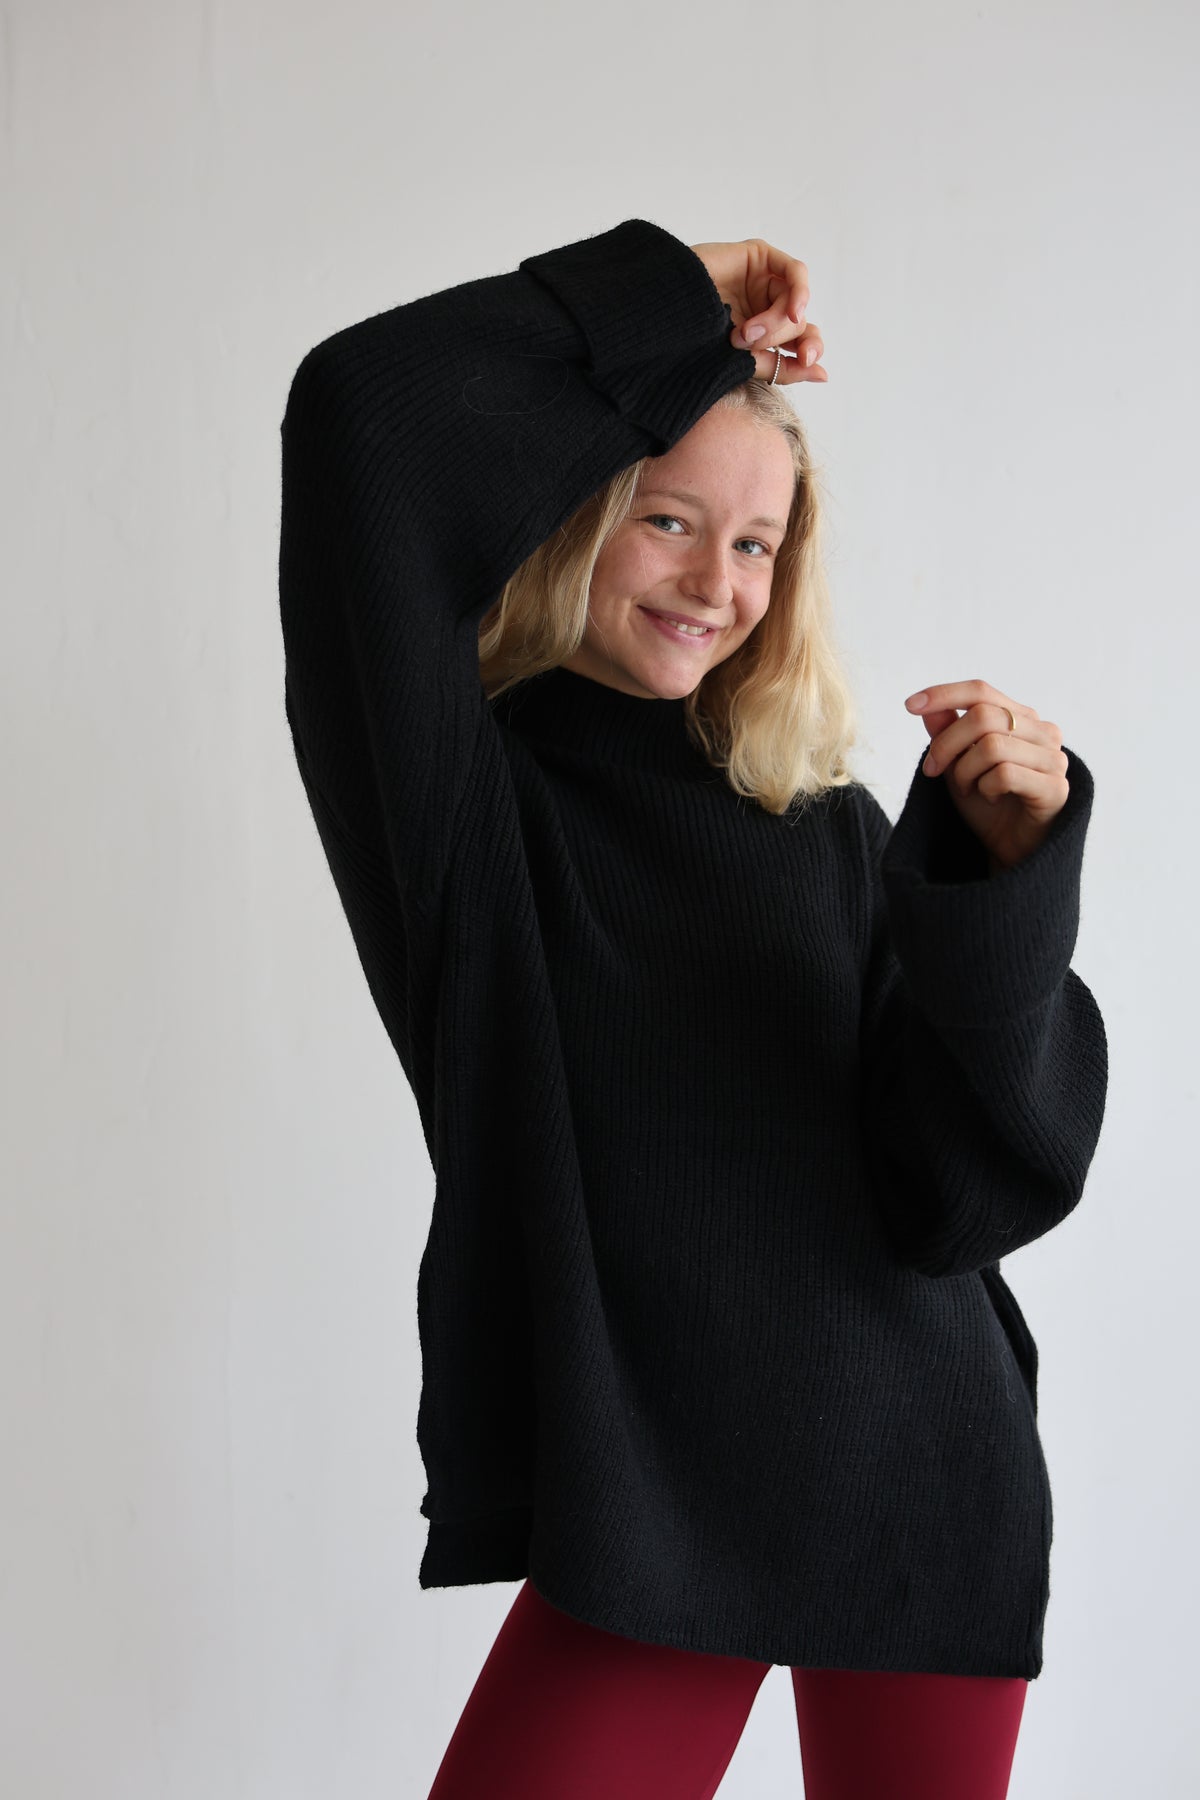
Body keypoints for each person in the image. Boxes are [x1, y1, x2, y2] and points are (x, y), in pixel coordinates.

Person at [277, 220, 1108, 1799]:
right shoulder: (467, 803)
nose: (714, 582)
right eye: (667, 518)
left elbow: (972, 1191)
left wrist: (1005, 890)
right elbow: (355, 421)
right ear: (577, 507)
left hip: (921, 1477)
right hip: (649, 1499)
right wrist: (665, 299)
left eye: (755, 544)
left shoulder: (827, 826)